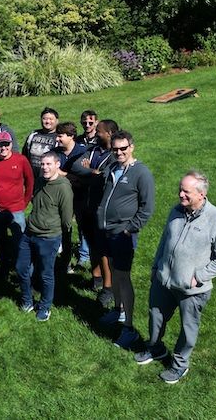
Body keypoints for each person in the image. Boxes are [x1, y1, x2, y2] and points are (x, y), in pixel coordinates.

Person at [136, 170, 216, 384]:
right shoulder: (176, 212)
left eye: (186, 192)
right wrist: (155, 266)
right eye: (180, 189)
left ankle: (180, 366)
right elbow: (165, 240)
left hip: (192, 289)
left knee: (188, 328)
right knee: (155, 317)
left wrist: (198, 277)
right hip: (164, 281)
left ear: (202, 194)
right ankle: (156, 349)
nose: (181, 195)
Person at [97, 130, 155, 350]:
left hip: (122, 233)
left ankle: (129, 327)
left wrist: (130, 230)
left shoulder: (141, 173)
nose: (119, 152)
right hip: (106, 230)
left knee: (123, 277)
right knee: (113, 271)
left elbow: (147, 207)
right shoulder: (111, 167)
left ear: (132, 147)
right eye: (115, 149)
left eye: (123, 148)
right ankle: (118, 310)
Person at [17, 152, 73, 321]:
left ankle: (45, 306)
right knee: (21, 268)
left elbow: (67, 218)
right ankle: (27, 300)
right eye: (42, 164)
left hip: (49, 237)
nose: (45, 168)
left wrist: (64, 241)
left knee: (45, 274)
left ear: (57, 165)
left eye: (49, 164)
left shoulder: (63, 187)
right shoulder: (40, 181)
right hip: (29, 233)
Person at [78, 119, 119, 307]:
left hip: (101, 208)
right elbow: (77, 167)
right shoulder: (93, 150)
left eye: (100, 131)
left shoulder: (115, 155)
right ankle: (96, 277)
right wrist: (88, 172)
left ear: (109, 134)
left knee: (103, 249)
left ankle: (108, 288)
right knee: (92, 242)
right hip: (86, 205)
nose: (96, 133)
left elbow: (103, 179)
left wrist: (87, 173)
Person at [0, 131, 33, 274]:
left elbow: (30, 182)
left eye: (6, 145)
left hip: (16, 209)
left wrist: (25, 202)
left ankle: (22, 269)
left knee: (20, 242)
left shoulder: (21, 160)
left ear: (11, 145)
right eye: (0, 145)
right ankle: (4, 269)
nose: (3, 148)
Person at [54, 121, 88, 272]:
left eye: (60, 136)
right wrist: (73, 177)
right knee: (63, 227)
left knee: (84, 227)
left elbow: (85, 177)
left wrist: (64, 174)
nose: (57, 140)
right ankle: (65, 260)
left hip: (81, 195)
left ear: (71, 136)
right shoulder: (55, 153)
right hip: (62, 197)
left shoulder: (83, 152)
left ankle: (84, 257)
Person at [22, 107, 60, 180]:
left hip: (48, 177)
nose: (47, 121)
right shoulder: (33, 134)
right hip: (31, 176)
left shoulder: (58, 137)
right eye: (44, 119)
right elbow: (25, 154)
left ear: (57, 121)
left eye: (51, 119)